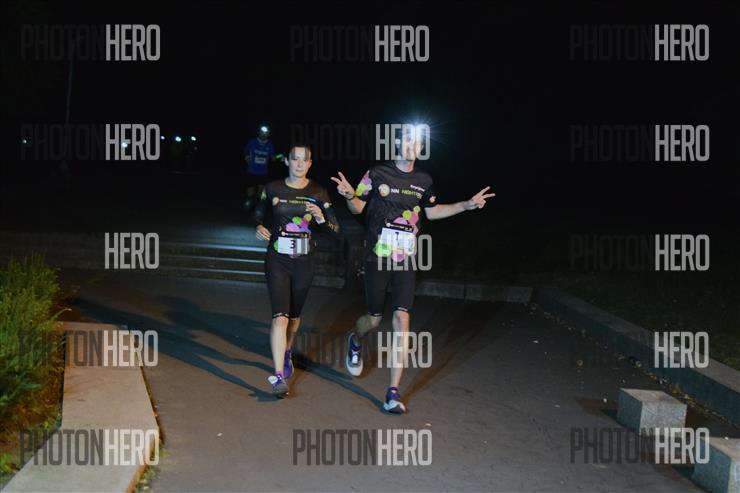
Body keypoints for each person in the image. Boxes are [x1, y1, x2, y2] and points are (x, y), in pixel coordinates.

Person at [330, 125, 495, 413]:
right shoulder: (377, 173)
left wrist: (465, 205)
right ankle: (355, 339)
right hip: (378, 256)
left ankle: (392, 393)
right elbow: (357, 208)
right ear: (397, 144)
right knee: (373, 319)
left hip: (405, 259)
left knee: (402, 320)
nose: (412, 147)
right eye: (407, 142)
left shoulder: (423, 180)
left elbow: (431, 211)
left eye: (417, 143)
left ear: (421, 149)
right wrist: (347, 195)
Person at [253, 145, 340, 397]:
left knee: (293, 317)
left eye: (304, 160)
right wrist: (259, 226)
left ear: (310, 164)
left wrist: (321, 217)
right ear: (287, 162)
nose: (299, 164)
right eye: (295, 159)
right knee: (279, 317)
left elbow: (335, 230)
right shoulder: (272, 188)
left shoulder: (318, 192)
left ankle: (287, 350)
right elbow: (257, 213)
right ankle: (278, 376)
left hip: (304, 262)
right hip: (277, 259)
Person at [244, 125, 276, 213]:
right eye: (262, 132)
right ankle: (247, 208)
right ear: (258, 133)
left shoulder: (270, 144)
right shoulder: (252, 141)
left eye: (266, 133)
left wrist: (276, 157)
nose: (264, 134)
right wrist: (246, 156)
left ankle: (258, 211)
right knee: (250, 193)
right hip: (252, 171)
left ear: (268, 134)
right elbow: (246, 151)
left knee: (260, 193)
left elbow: (273, 157)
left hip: (263, 172)